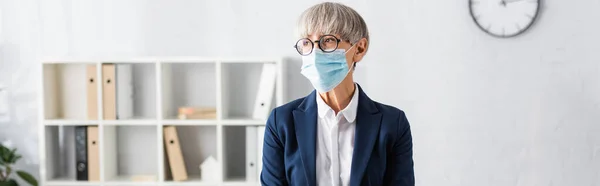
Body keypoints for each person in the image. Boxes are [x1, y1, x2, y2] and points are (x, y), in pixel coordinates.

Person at [261, 2, 414, 186]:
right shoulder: (281, 122)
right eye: (306, 43)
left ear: (359, 49)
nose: (315, 53)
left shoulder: (393, 124)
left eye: (328, 40)